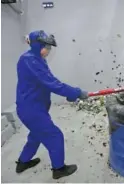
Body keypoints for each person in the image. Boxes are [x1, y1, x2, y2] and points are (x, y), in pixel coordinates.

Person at [15, 30, 88, 179]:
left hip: (35, 107)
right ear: (37, 45)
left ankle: (23, 162)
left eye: (50, 48)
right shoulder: (29, 60)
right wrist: (76, 92)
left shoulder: (37, 59)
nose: (48, 50)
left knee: (36, 136)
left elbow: (49, 81)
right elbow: (52, 83)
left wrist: (69, 94)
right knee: (55, 136)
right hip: (31, 109)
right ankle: (59, 169)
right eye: (46, 47)